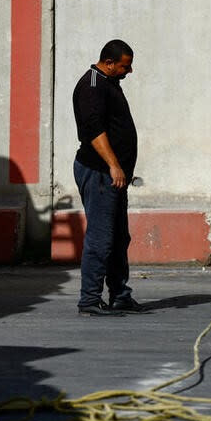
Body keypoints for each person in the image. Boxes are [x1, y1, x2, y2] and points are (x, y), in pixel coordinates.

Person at [72, 39, 144, 316]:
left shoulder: (109, 83)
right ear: (109, 62)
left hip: (114, 176)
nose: (129, 71)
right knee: (101, 238)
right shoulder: (92, 86)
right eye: (125, 66)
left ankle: (120, 295)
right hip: (100, 172)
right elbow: (93, 131)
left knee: (117, 237)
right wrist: (114, 165)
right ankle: (89, 299)